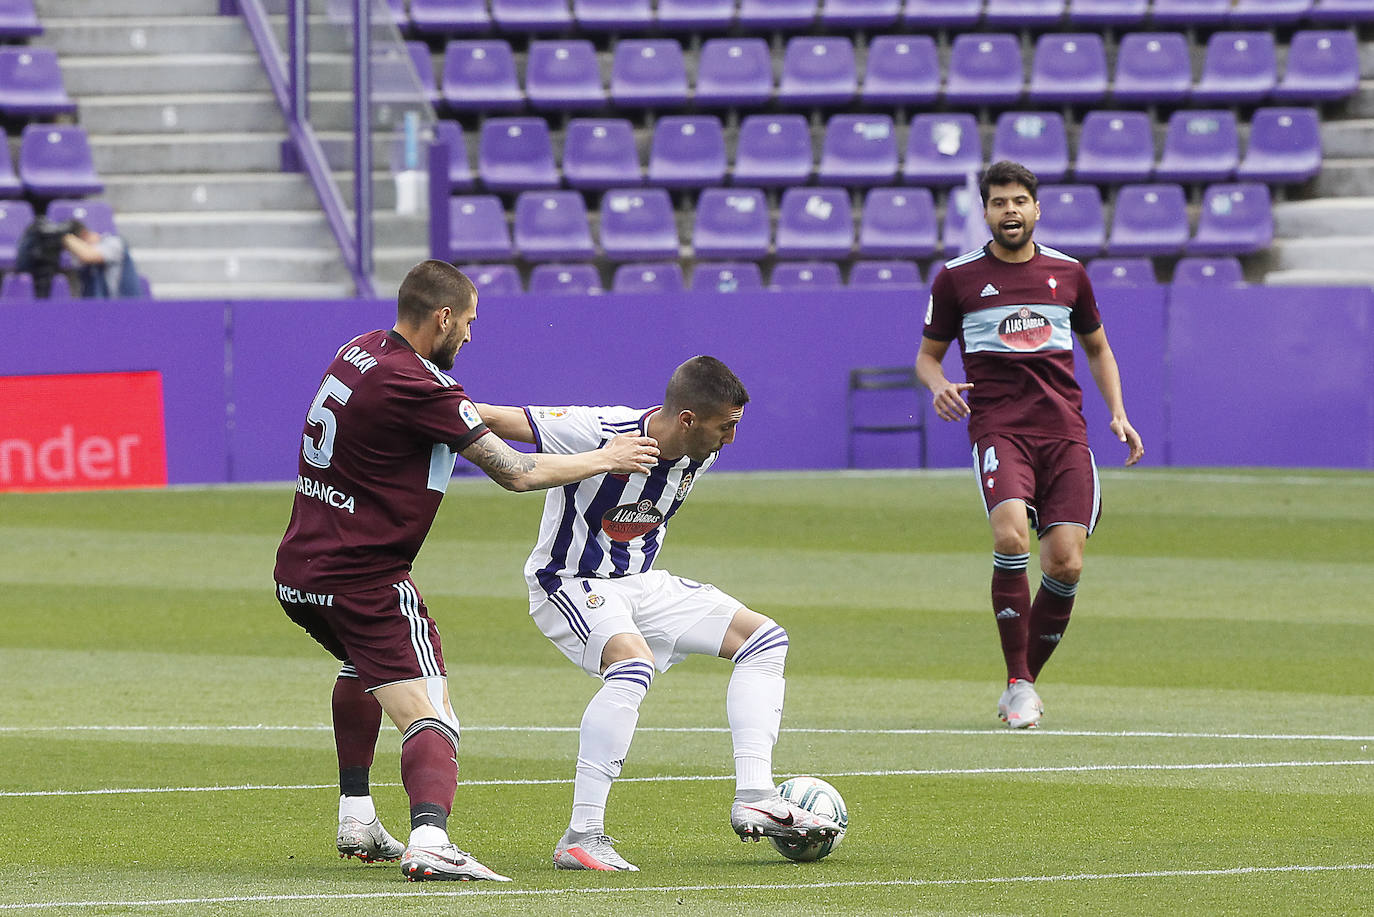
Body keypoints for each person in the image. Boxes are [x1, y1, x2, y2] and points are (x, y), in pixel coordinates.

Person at [273, 260, 659, 882]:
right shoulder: (420, 385)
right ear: (443, 317)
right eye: (470, 322)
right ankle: (430, 838)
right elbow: (518, 473)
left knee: (364, 667)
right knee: (434, 712)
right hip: (364, 578)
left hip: (299, 570)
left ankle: (357, 814)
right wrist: (605, 456)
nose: (472, 337)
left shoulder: (360, 351)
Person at [472, 356, 841, 873]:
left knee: (764, 640)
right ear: (687, 419)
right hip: (571, 582)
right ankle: (581, 836)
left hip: (642, 583)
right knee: (632, 666)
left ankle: (754, 792)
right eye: (725, 426)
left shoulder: (699, 451)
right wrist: (418, 405)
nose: (731, 439)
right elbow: (485, 417)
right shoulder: (599, 429)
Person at [916, 161, 1145, 730]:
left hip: (1065, 432)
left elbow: (1098, 348)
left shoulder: (1069, 274)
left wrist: (1116, 410)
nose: (1010, 211)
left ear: (1036, 209)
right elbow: (926, 356)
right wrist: (940, 385)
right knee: (1011, 533)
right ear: (986, 211)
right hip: (999, 428)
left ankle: (1023, 683)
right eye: (998, 202)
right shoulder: (957, 279)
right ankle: (1019, 683)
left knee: (1065, 564)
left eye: (1019, 201)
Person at [61, 222, 138, 298]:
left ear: (84, 235)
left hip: (124, 307)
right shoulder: (79, 260)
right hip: (97, 307)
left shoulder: (114, 242)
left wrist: (64, 236)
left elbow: (88, 255)